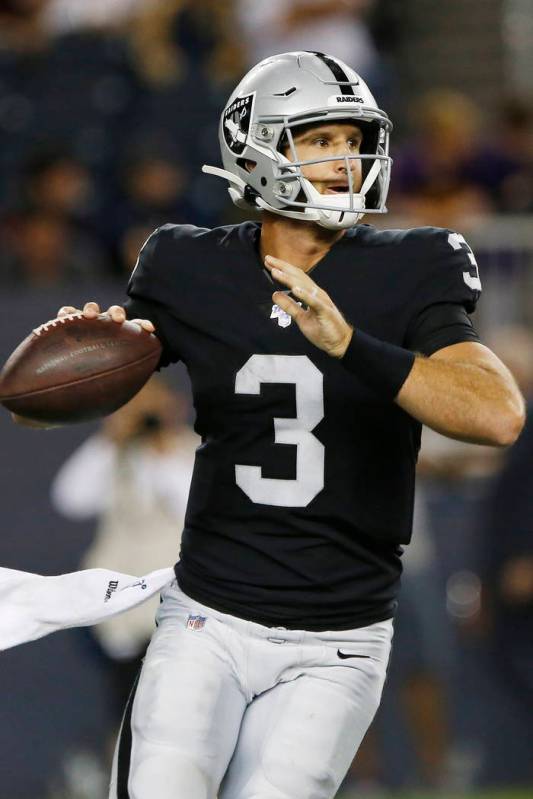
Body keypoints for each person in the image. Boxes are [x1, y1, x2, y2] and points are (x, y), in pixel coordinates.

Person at [12, 51, 525, 799]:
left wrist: (351, 344)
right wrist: (74, 360)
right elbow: (39, 403)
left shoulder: (414, 263)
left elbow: (497, 413)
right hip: (208, 619)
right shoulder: (187, 264)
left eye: (353, 139)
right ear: (257, 148)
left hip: (340, 640)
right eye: (319, 140)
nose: (345, 158)